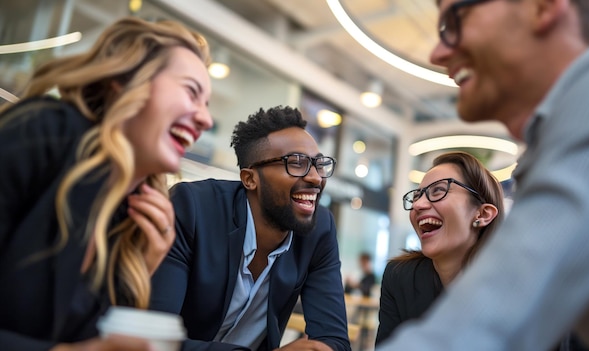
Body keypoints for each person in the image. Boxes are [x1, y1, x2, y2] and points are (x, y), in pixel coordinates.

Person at [378, 0, 589, 350]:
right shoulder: (544, 155)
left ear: (542, 7)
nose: (438, 52)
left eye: (455, 20)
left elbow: (486, 324)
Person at [0, 16, 213, 351]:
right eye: (191, 92)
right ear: (125, 81)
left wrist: (143, 265)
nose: (206, 119)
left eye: (207, 104)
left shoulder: (127, 215)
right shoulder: (45, 132)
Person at [149, 106, 350, 351]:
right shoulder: (192, 209)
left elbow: (334, 340)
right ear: (249, 179)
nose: (316, 178)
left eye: (319, 164)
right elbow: (154, 337)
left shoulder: (320, 230)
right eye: (296, 163)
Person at [376, 151, 503, 346]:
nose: (418, 204)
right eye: (416, 196)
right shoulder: (400, 277)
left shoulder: (514, 285)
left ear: (482, 214)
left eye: (438, 191)